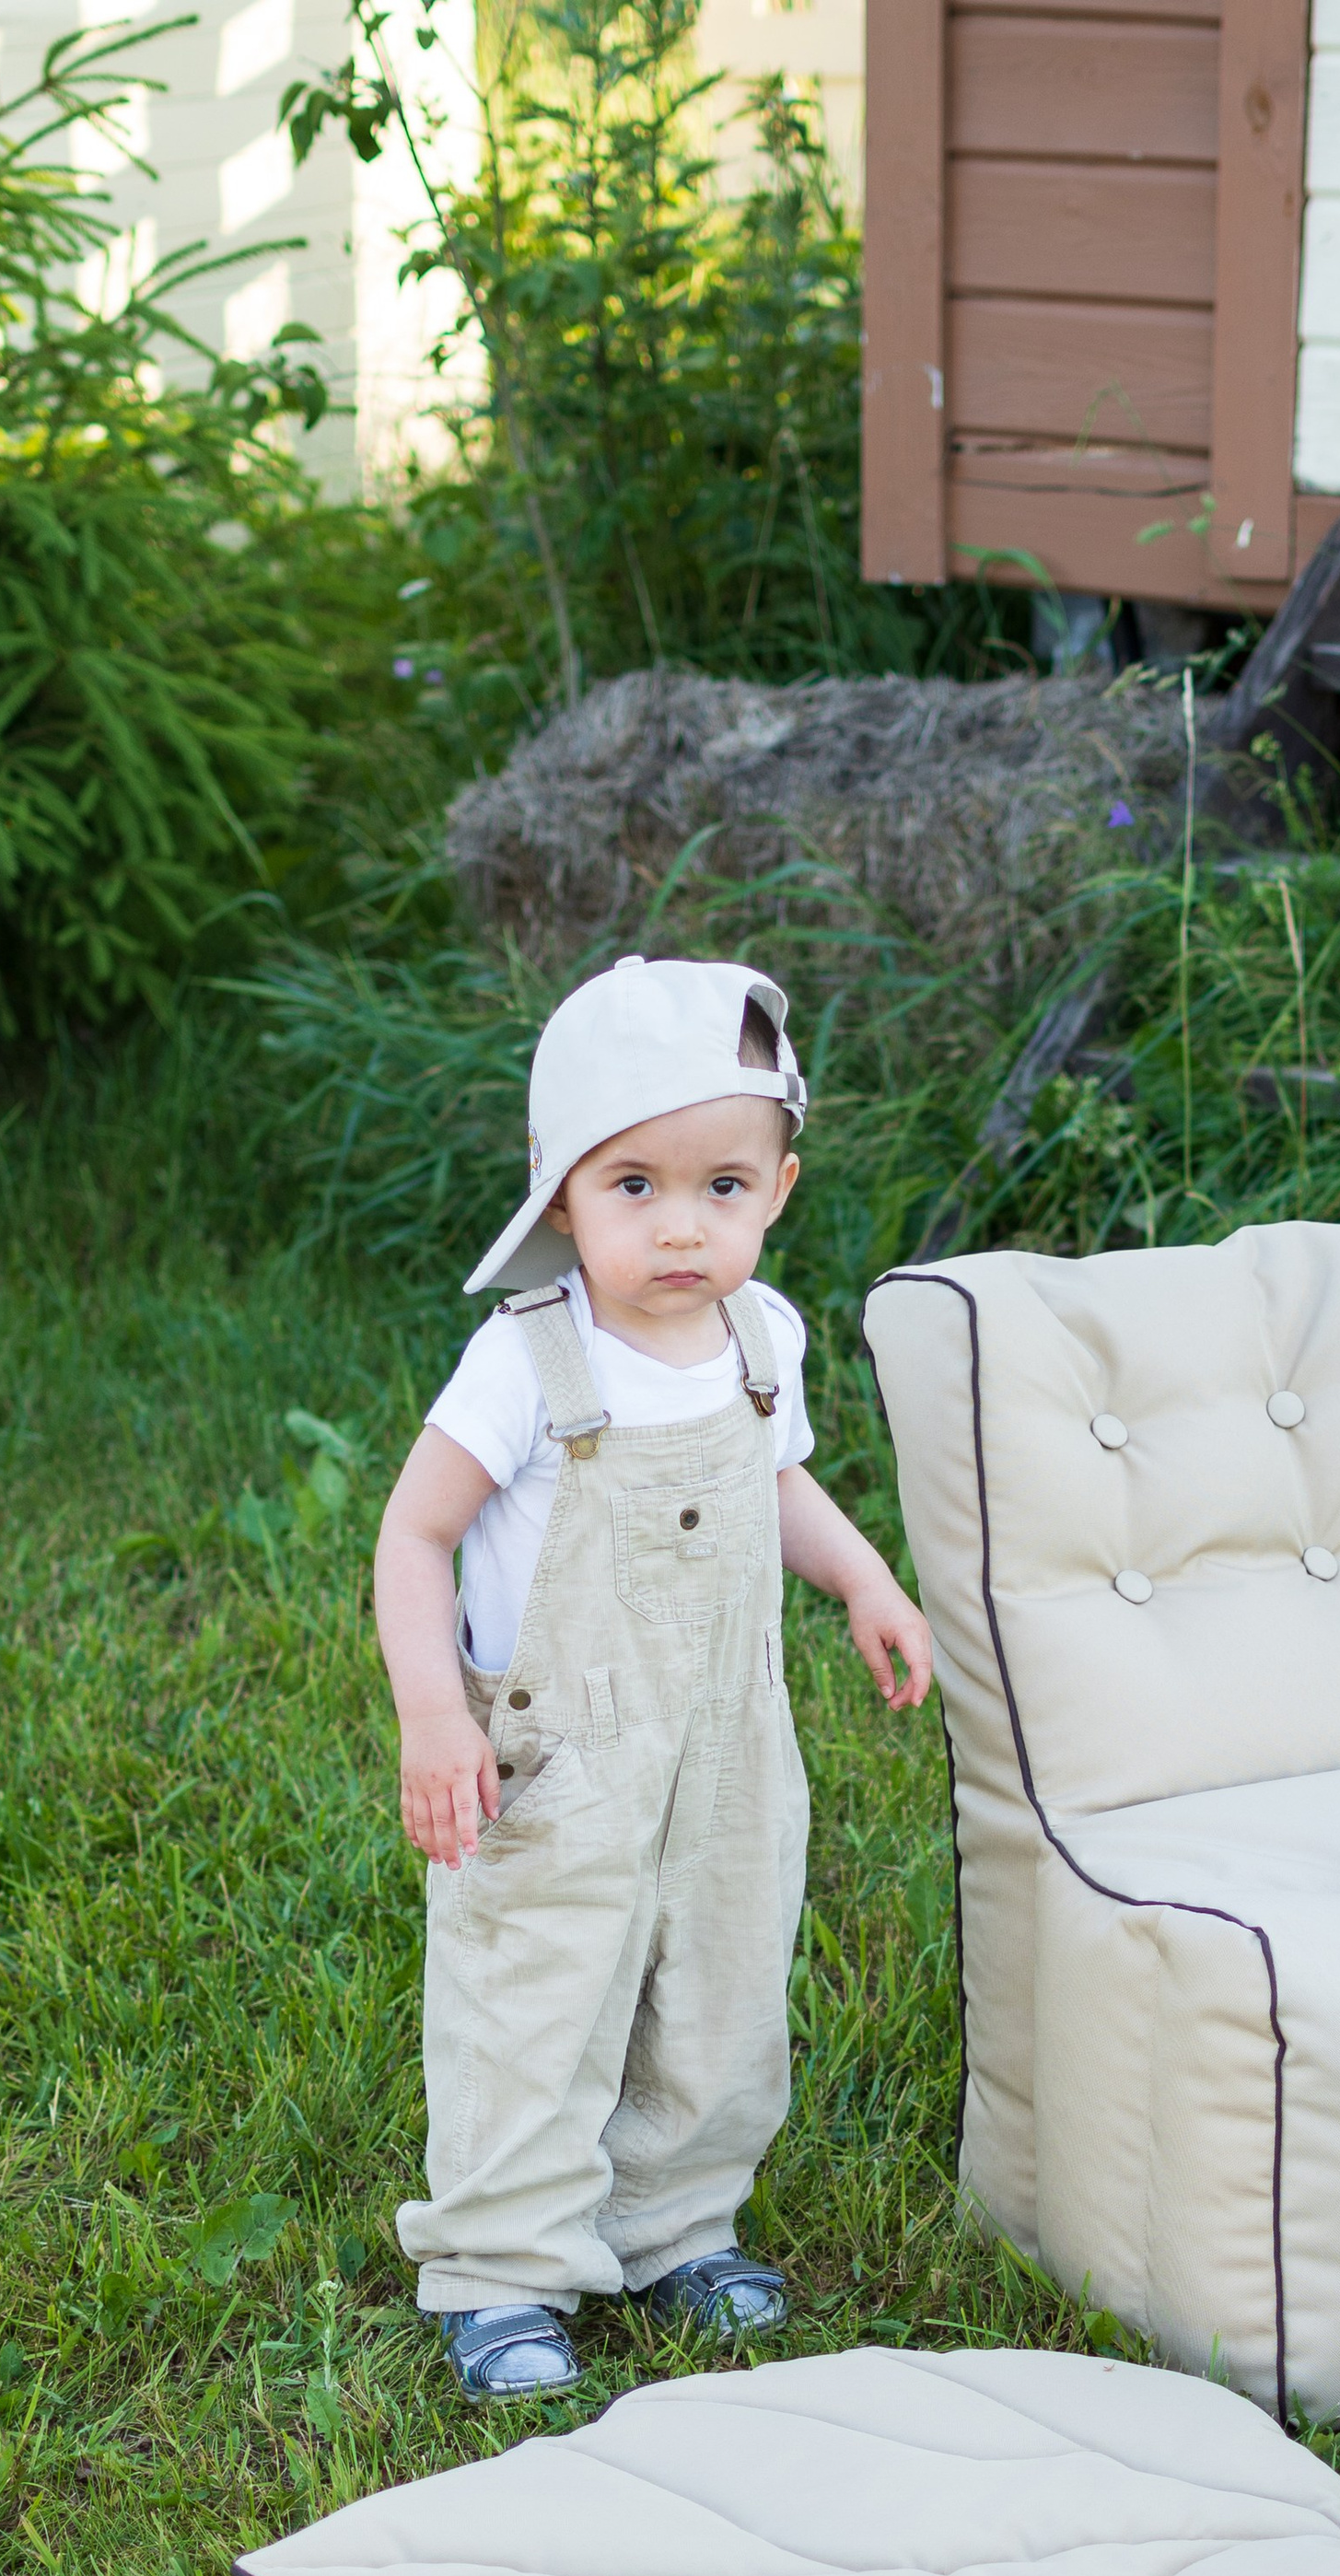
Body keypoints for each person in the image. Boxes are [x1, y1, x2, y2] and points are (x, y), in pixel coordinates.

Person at [372, 954, 933, 2401]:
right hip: (563, 1753)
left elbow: (784, 1478)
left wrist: (863, 1578)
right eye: (635, 1187)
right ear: (563, 1190)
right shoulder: (526, 1361)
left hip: (728, 1740)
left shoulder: (763, 1340)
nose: (681, 1227)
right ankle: (502, 2264)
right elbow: (414, 1531)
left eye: (722, 1188)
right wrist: (436, 1713)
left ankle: (675, 2222)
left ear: (779, 1190)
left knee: (721, 1985)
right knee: (541, 1993)